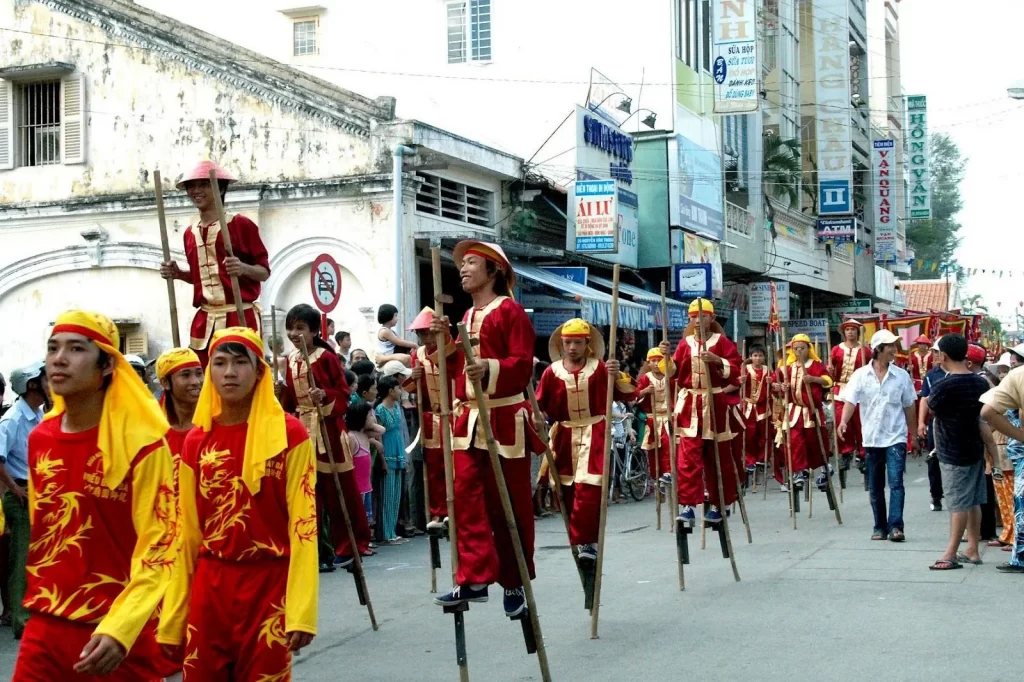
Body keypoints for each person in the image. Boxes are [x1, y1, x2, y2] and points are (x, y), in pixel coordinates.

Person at [14, 311, 176, 680]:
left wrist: (123, 627)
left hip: (115, 638)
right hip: (45, 627)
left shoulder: (144, 446)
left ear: (106, 365)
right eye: (53, 348)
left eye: (76, 349)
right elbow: (46, 535)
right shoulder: (41, 439)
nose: (59, 358)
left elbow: (161, 546)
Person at [157, 327, 318, 677]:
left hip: (270, 585)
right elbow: (186, 534)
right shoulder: (195, 442)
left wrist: (301, 609)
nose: (229, 372)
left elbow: (304, 527)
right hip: (210, 584)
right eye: (220, 362)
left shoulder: (291, 435)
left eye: (240, 362)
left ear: (259, 371)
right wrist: (173, 616)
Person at [431, 240, 544, 618]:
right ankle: (474, 577)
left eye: (471, 263)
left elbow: (522, 363)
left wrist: (490, 370)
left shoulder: (510, 311)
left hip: (502, 418)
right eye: (461, 264)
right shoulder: (464, 318)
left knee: (508, 507)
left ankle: (514, 581)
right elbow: (453, 370)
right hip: (468, 420)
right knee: (464, 499)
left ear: (493, 270)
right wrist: (443, 341)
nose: (462, 268)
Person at [279, 304, 370, 570]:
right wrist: (281, 393)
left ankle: (352, 545)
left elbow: (343, 394)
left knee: (340, 492)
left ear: (313, 331)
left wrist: (325, 396)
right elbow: (290, 401)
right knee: (309, 495)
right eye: (290, 328)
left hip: (328, 432)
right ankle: (315, 548)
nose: (294, 334)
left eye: (300, 328)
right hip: (301, 430)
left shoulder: (326, 357)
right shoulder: (290, 360)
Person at [159, 160, 270, 366]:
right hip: (204, 320)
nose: (196, 191)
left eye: (204, 184)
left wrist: (242, 268)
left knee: (242, 376)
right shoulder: (189, 233)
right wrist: (178, 273)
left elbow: (263, 272)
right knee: (201, 377)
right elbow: (200, 277)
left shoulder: (240, 224)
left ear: (221, 188)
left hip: (239, 315)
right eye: (192, 186)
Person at [534, 319, 622, 561]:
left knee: (589, 487)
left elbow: (626, 392)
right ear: (561, 344)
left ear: (587, 344)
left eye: (577, 342)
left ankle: (587, 542)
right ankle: (580, 537)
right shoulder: (552, 372)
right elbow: (539, 403)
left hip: (594, 433)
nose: (572, 347)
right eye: (568, 342)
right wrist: (537, 416)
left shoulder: (600, 368)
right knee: (566, 490)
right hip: (564, 435)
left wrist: (617, 373)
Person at [924, 334, 998, 570]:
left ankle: (951, 552)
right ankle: (973, 549)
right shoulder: (980, 382)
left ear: (943, 356)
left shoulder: (944, 386)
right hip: (974, 448)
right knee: (973, 500)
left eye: (937, 353)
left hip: (952, 451)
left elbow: (932, 408)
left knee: (958, 503)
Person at [838, 330, 917, 542]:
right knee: (875, 485)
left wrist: (914, 434)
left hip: (896, 437)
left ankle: (896, 527)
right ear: (878, 349)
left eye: (895, 345)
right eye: (890, 346)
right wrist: (844, 421)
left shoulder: (902, 376)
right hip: (872, 438)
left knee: (896, 482)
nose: (894, 350)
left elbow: (909, 406)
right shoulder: (860, 375)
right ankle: (879, 526)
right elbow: (850, 401)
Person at [671, 299, 743, 527]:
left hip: (715, 403)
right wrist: (664, 360)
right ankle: (688, 505)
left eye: (701, 316)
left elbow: (736, 369)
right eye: (693, 316)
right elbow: (674, 372)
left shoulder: (722, 342)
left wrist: (718, 360)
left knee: (717, 456)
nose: (697, 320)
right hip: (690, 402)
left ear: (711, 318)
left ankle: (718, 503)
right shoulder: (684, 343)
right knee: (688, 457)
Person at [0, 361, 48, 640]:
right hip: (22, 493)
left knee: (37, 557)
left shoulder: (37, 415)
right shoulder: (13, 419)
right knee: (21, 559)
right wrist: (14, 490)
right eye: (43, 378)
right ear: (32, 385)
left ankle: (32, 611)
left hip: (37, 493)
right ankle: (21, 618)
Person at [405, 307, 457, 533]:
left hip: (455, 414)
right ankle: (439, 511)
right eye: (421, 333)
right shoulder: (416, 355)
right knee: (434, 466)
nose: (425, 337)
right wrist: (412, 378)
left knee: (455, 463)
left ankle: (457, 507)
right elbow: (409, 387)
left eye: (428, 332)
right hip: (431, 417)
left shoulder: (451, 348)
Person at [774, 334, 833, 493]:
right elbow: (775, 382)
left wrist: (814, 379)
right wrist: (780, 387)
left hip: (812, 411)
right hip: (794, 411)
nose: (799, 351)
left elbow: (828, 381)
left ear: (809, 348)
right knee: (794, 441)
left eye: (802, 348)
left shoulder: (816, 364)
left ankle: (824, 467)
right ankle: (798, 471)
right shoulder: (787, 367)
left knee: (814, 441)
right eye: (796, 348)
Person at [980, 371, 1024, 572]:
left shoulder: (1018, 376)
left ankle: (1020, 556)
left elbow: (987, 413)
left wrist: (1020, 436)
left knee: (1019, 503)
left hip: (1016, 452)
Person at [829, 319, 869, 469]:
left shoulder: (866, 351)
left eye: (853, 329)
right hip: (841, 389)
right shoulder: (836, 350)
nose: (850, 332)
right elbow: (829, 372)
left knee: (859, 422)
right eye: (847, 330)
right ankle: (846, 451)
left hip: (859, 390)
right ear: (844, 332)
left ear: (857, 332)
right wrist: (830, 371)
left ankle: (863, 452)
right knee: (842, 420)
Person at [375, 376, 408, 545]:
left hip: (398, 452)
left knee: (395, 496)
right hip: (387, 453)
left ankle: (392, 532)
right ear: (390, 391)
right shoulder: (380, 410)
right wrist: (382, 459)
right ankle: (386, 534)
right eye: (398, 388)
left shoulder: (396, 408)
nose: (400, 392)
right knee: (387, 496)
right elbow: (379, 435)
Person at [918, 337, 949, 511]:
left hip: (954, 423)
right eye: (934, 352)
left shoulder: (959, 372)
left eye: (937, 352)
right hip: (936, 423)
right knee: (933, 458)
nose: (935, 355)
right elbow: (925, 398)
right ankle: (936, 495)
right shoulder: (931, 375)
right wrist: (921, 422)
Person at [635, 346, 673, 488]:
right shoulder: (646, 378)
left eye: (660, 360)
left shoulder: (670, 377)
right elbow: (636, 395)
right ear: (648, 363)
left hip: (668, 416)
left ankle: (668, 472)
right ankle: (656, 476)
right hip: (652, 418)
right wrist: (645, 391)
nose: (656, 364)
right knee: (653, 448)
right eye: (654, 361)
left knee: (668, 444)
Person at [741, 345, 773, 476]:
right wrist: (741, 381)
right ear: (750, 357)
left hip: (763, 407)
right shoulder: (745, 369)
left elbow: (775, 385)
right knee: (749, 434)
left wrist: (772, 383)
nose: (758, 358)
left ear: (764, 357)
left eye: (760, 355)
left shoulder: (768, 370)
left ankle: (763, 458)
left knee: (765, 434)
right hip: (748, 407)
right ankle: (750, 460)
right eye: (755, 356)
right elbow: (736, 383)